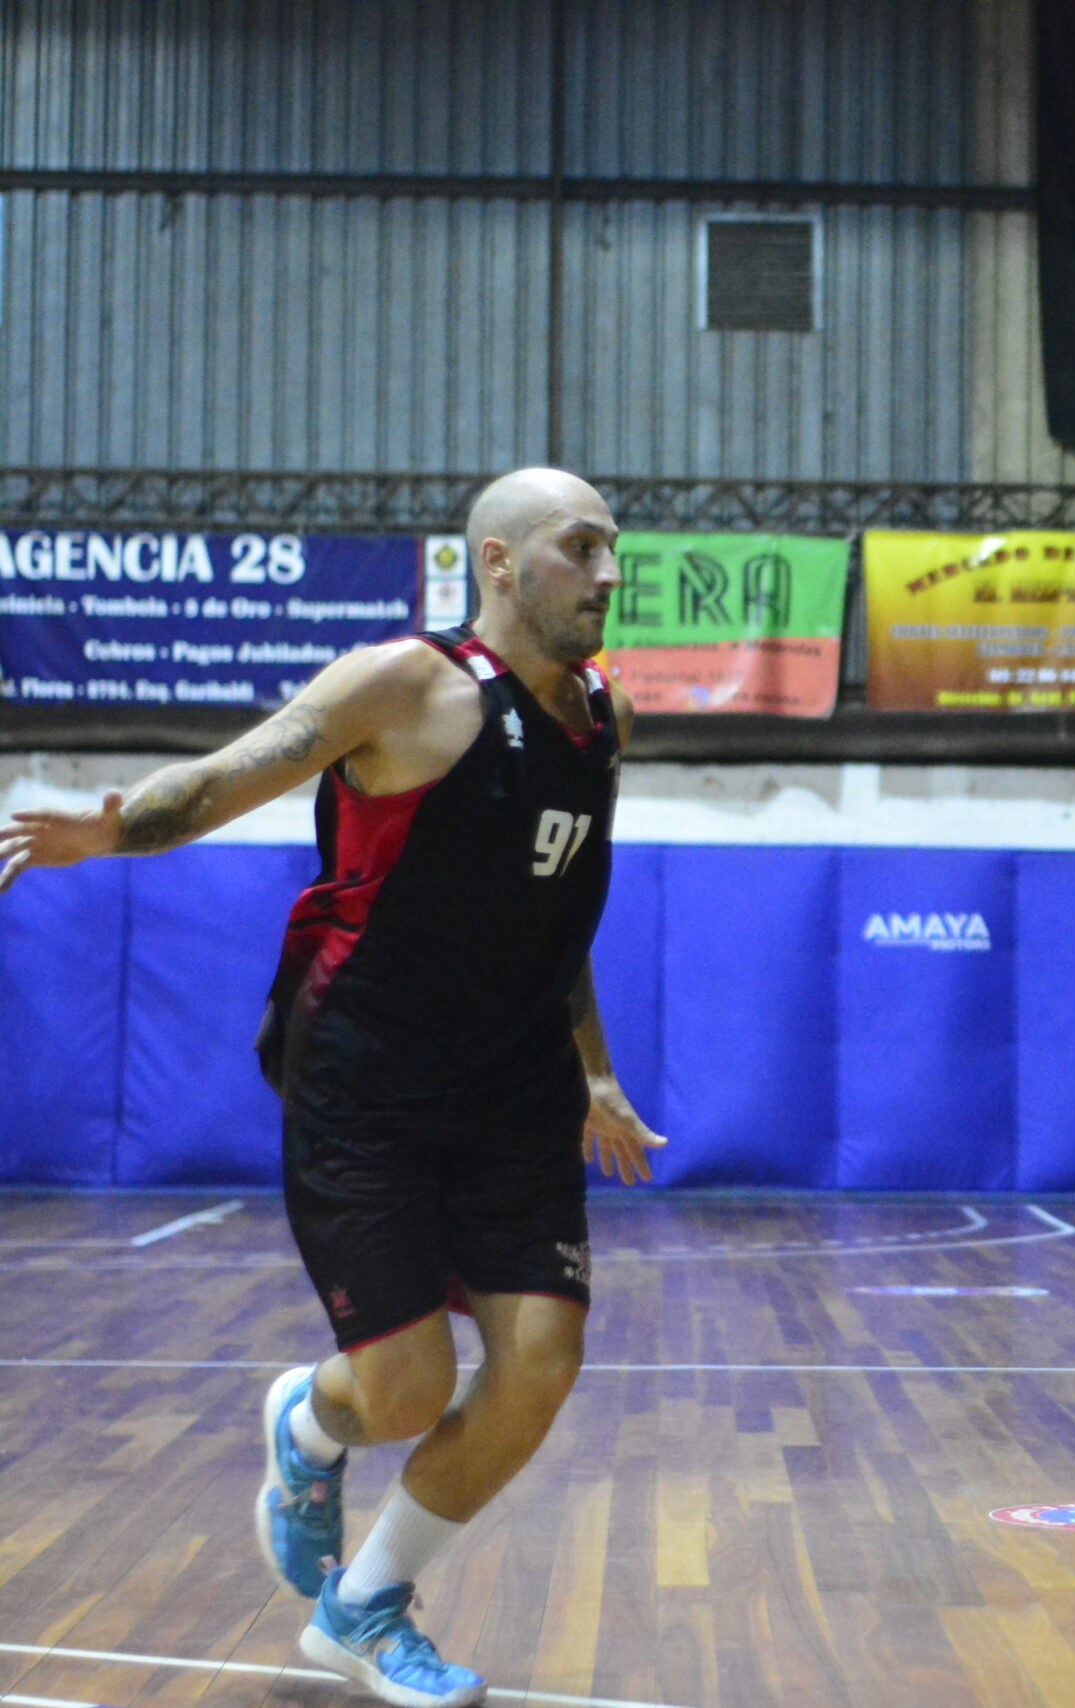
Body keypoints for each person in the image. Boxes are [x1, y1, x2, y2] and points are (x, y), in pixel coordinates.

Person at [0, 467, 667, 1708]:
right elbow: (226, 776)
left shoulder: (602, 718)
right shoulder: (406, 684)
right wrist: (112, 831)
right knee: (406, 1391)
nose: (610, 574)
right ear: (501, 563)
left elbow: (558, 908)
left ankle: (364, 1608)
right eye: (582, 548)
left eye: (613, 547)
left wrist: (594, 1069)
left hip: (515, 1085)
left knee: (543, 1357)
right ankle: (309, 1426)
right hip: (370, 1077)